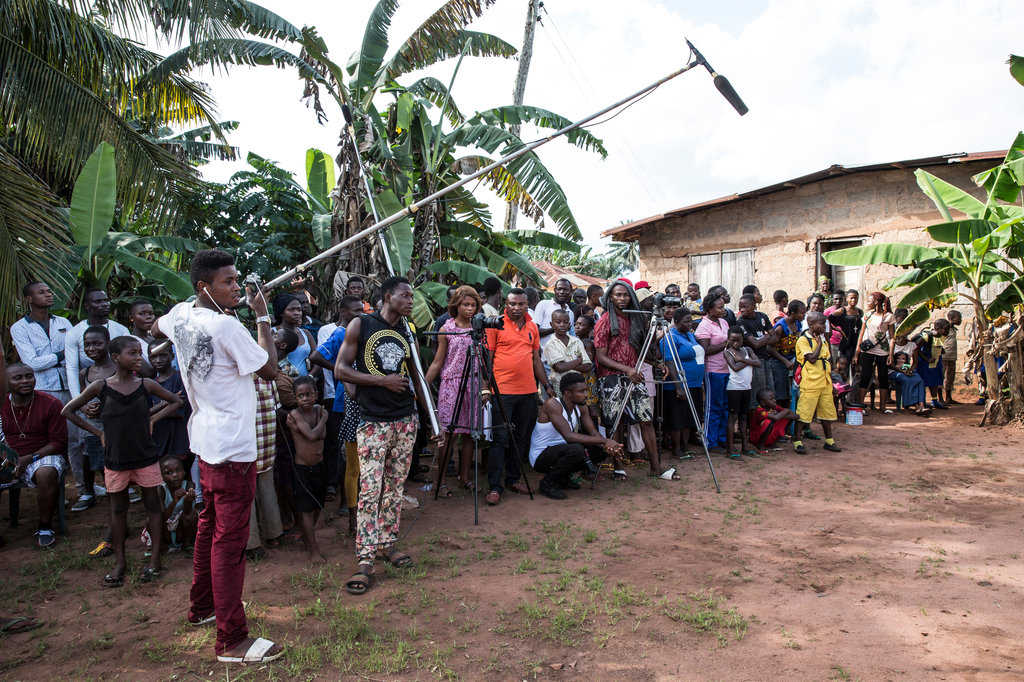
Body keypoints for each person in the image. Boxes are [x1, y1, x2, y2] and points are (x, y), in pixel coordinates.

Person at [152, 248, 283, 664]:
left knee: (210, 528)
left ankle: (202, 607)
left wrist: (184, 323)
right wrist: (262, 315)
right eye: (228, 282)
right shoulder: (227, 327)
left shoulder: (180, 314)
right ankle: (231, 640)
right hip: (233, 449)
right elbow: (269, 369)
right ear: (204, 286)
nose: (237, 288)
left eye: (237, 280)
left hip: (206, 444)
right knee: (229, 542)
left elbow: (155, 327)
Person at [62, 336, 183, 586]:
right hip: (116, 459)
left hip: (145, 456)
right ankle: (120, 562)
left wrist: (152, 419)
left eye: (140, 353)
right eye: (133, 353)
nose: (139, 357)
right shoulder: (100, 387)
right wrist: (98, 433)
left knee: (153, 506)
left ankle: (155, 560)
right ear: (116, 358)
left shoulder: (146, 384)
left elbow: (176, 401)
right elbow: (68, 411)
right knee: (117, 509)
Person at [334, 276, 423, 596]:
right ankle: (365, 558)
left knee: (395, 488)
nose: (410, 301)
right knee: (371, 489)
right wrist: (381, 381)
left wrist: (429, 418)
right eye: (405, 295)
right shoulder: (361, 324)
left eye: (411, 296)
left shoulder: (407, 331)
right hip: (373, 421)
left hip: (405, 420)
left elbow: (417, 376)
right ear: (387, 297)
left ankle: (387, 543)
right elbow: (340, 370)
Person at [595, 281, 676, 480]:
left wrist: (656, 364)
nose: (622, 299)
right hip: (611, 377)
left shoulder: (635, 320)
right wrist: (627, 369)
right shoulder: (605, 321)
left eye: (626, 295)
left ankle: (656, 467)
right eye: (618, 295)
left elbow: (638, 351)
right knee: (613, 423)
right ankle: (618, 468)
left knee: (646, 419)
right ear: (611, 297)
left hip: (634, 375)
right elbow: (601, 356)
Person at [483, 288, 555, 504]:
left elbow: (536, 360)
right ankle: (494, 487)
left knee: (520, 438)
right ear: (505, 304)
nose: (516, 308)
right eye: (512, 304)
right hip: (501, 392)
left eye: (521, 304)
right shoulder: (496, 324)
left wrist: (546, 385)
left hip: (528, 392)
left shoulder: (532, 327)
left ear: (527, 305)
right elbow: (488, 359)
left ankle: (513, 479)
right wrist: (485, 388)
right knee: (500, 439)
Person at [64, 288, 130, 506]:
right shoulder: (75, 334)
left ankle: (121, 487)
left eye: (106, 300)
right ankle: (87, 491)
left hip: (116, 414)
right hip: (90, 413)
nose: (104, 304)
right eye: (98, 301)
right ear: (87, 306)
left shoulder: (119, 330)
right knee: (88, 450)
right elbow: (72, 368)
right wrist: (80, 404)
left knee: (117, 450)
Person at [0, 362, 68, 548]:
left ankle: (45, 527)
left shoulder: (51, 403)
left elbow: (59, 442)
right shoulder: (2, 404)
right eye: (18, 378)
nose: (25, 381)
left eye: (29, 376)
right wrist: (10, 459)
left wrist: (28, 458)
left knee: (46, 472)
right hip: (8, 457)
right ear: (6, 382)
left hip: (41, 455)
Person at [424, 286, 482, 495]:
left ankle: (463, 477)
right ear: (456, 305)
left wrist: (485, 387)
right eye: (466, 304)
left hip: (473, 384)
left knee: (470, 433)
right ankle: (441, 481)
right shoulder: (446, 328)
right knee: (447, 433)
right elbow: (437, 362)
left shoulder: (479, 329)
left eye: (473, 305)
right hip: (451, 385)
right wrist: (423, 386)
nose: (470, 309)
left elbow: (484, 359)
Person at [528, 372, 622, 499]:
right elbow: (569, 436)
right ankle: (547, 483)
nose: (586, 394)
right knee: (576, 449)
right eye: (581, 391)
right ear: (568, 393)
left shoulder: (581, 406)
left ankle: (562, 478)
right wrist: (605, 440)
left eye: (586, 390)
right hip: (540, 456)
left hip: (563, 450)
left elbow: (593, 432)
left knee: (600, 450)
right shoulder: (552, 404)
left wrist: (608, 446)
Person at [310, 295, 366, 505]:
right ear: (343, 311)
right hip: (346, 396)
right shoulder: (340, 333)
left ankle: (352, 501)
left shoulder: (356, 330)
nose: (360, 315)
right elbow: (315, 356)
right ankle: (347, 503)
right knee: (348, 450)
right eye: (356, 311)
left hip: (355, 394)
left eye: (362, 310)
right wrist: (340, 370)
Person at [71, 326, 115, 512]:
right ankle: (89, 492)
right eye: (87, 345)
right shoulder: (85, 373)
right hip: (92, 426)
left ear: (108, 343)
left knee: (111, 458)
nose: (91, 348)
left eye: (97, 343)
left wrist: (105, 408)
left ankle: (117, 491)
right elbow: (83, 398)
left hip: (115, 424)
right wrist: (85, 408)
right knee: (89, 455)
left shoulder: (118, 368)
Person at [286, 376, 329, 564]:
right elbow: (312, 436)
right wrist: (324, 419)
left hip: (319, 465)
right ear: (295, 398)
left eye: (309, 394)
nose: (305, 399)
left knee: (318, 504)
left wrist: (321, 421)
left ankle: (307, 536)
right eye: (301, 396)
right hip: (302, 468)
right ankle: (314, 549)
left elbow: (323, 435)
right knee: (306, 509)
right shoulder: (295, 414)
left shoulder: (318, 410)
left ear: (316, 395)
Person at [10, 281, 73, 403]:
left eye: (49, 291)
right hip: (42, 387)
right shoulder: (20, 328)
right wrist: (63, 354)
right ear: (29, 299)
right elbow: (32, 363)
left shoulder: (63, 322)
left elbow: (76, 351)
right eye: (41, 292)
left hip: (70, 385)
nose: (48, 294)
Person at [792, 312, 841, 454]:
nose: (825, 326)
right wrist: (819, 343)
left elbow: (827, 360)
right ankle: (797, 441)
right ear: (811, 324)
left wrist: (831, 383)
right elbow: (812, 359)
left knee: (826, 412)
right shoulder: (803, 340)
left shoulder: (822, 339)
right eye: (821, 323)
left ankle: (829, 441)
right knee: (804, 412)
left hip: (824, 381)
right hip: (810, 381)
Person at [660, 309, 705, 460]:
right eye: (686, 322)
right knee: (677, 418)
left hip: (694, 384)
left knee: (689, 417)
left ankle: (685, 447)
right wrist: (678, 387)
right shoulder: (669, 338)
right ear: (676, 322)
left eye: (691, 321)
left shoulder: (690, 335)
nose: (690, 324)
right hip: (678, 385)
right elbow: (670, 362)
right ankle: (676, 449)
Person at [696, 293, 731, 451]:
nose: (723, 310)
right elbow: (706, 350)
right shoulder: (704, 326)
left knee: (725, 405)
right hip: (713, 370)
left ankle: (721, 437)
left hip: (727, 369)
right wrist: (726, 344)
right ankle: (710, 441)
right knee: (713, 406)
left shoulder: (723, 322)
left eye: (723, 306)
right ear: (710, 309)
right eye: (720, 307)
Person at [853, 291, 895, 413]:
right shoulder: (867, 315)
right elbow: (861, 334)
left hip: (883, 351)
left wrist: (891, 354)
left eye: (869, 300)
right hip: (867, 350)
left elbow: (892, 337)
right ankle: (861, 404)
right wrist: (857, 352)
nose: (867, 303)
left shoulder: (888, 316)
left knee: (883, 377)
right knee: (865, 376)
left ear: (876, 302)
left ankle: (882, 407)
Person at [724, 326, 760, 458]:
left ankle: (745, 446)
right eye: (733, 340)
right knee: (733, 417)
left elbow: (758, 363)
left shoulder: (747, 350)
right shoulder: (727, 352)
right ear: (728, 339)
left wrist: (743, 359)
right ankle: (731, 448)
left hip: (746, 388)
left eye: (738, 340)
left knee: (744, 417)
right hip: (734, 388)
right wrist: (749, 361)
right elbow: (734, 367)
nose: (736, 343)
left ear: (742, 340)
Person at [736, 294, 775, 408]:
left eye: (745, 307)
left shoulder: (762, 316)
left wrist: (765, 338)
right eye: (740, 307)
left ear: (754, 306)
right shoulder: (741, 322)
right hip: (755, 360)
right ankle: (757, 414)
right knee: (758, 391)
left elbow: (774, 337)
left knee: (769, 388)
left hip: (765, 358)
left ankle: (769, 415)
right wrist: (768, 336)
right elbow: (755, 344)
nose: (742, 309)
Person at [543, 309, 590, 395]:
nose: (562, 325)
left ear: (569, 324)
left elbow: (587, 366)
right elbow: (559, 368)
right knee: (562, 403)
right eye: (558, 322)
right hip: (559, 385)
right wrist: (579, 360)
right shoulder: (550, 344)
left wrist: (566, 365)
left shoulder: (577, 341)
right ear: (551, 324)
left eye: (565, 322)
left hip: (577, 385)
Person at [769, 300, 806, 408]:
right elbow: (770, 348)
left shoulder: (797, 323)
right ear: (793, 313)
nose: (804, 315)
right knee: (781, 393)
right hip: (779, 361)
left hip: (792, 360)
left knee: (793, 390)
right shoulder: (781, 327)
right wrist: (785, 361)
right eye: (801, 313)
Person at [273, 294, 318, 378]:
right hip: (281, 382)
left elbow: (317, 359)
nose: (297, 313)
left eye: (299, 310)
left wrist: (310, 377)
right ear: (281, 312)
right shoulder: (273, 333)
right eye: (291, 310)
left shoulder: (305, 333)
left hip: (304, 383)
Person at [159, 455, 197, 550]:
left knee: (192, 514)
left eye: (178, 470)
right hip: (166, 530)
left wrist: (187, 500)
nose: (175, 475)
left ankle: (187, 543)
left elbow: (188, 512)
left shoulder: (189, 485)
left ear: (184, 472)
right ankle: (162, 546)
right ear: (162, 476)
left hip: (182, 530)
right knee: (150, 521)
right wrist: (174, 501)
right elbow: (162, 517)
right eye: (169, 472)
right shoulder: (161, 490)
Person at [914, 318, 950, 410]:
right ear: (938, 328)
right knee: (923, 381)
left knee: (934, 381)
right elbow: (916, 348)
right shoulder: (927, 336)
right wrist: (927, 359)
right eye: (946, 329)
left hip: (935, 361)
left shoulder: (941, 335)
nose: (948, 331)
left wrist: (941, 350)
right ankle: (922, 401)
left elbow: (937, 344)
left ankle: (934, 400)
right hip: (924, 362)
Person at [749, 389, 798, 455]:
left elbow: (796, 416)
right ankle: (760, 447)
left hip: (768, 437)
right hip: (756, 438)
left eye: (774, 398)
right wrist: (786, 410)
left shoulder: (773, 407)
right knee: (769, 421)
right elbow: (776, 418)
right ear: (763, 402)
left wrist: (780, 414)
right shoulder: (759, 410)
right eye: (771, 399)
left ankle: (773, 443)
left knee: (786, 418)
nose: (774, 400)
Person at [534, 278, 576, 348]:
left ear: (571, 292)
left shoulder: (570, 313)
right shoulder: (544, 305)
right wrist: (557, 329)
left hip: (563, 353)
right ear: (554, 290)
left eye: (565, 289)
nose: (561, 292)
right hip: (544, 353)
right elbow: (534, 331)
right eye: (559, 289)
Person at [888, 350, 931, 416]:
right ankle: (915, 405)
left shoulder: (906, 365)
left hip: (906, 373)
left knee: (918, 378)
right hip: (895, 373)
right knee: (906, 379)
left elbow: (910, 369)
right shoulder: (893, 365)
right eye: (898, 358)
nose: (901, 360)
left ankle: (921, 405)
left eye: (903, 359)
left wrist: (909, 371)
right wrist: (901, 370)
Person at [943, 310, 963, 404]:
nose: (960, 320)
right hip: (944, 356)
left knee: (950, 377)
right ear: (951, 319)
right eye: (958, 318)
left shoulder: (953, 329)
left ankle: (948, 397)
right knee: (941, 376)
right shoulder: (944, 328)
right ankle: (939, 398)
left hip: (952, 357)